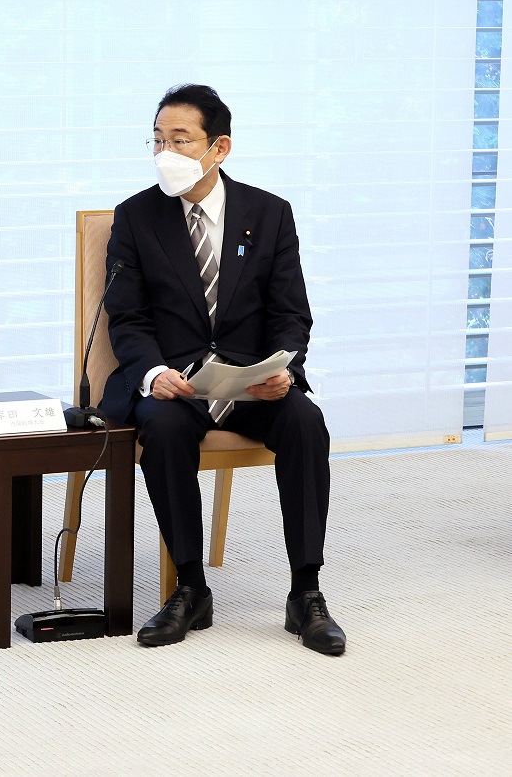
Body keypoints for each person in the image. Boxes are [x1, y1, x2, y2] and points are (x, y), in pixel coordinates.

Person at [100, 84, 346, 656]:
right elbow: (127, 316)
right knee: (162, 429)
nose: (166, 152)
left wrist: (285, 368)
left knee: (306, 422)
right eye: (157, 140)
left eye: (180, 140)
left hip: (249, 382)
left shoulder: (269, 213)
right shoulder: (136, 217)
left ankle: (306, 592)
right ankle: (191, 587)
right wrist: (152, 373)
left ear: (219, 148)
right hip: (177, 384)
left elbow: (291, 313)